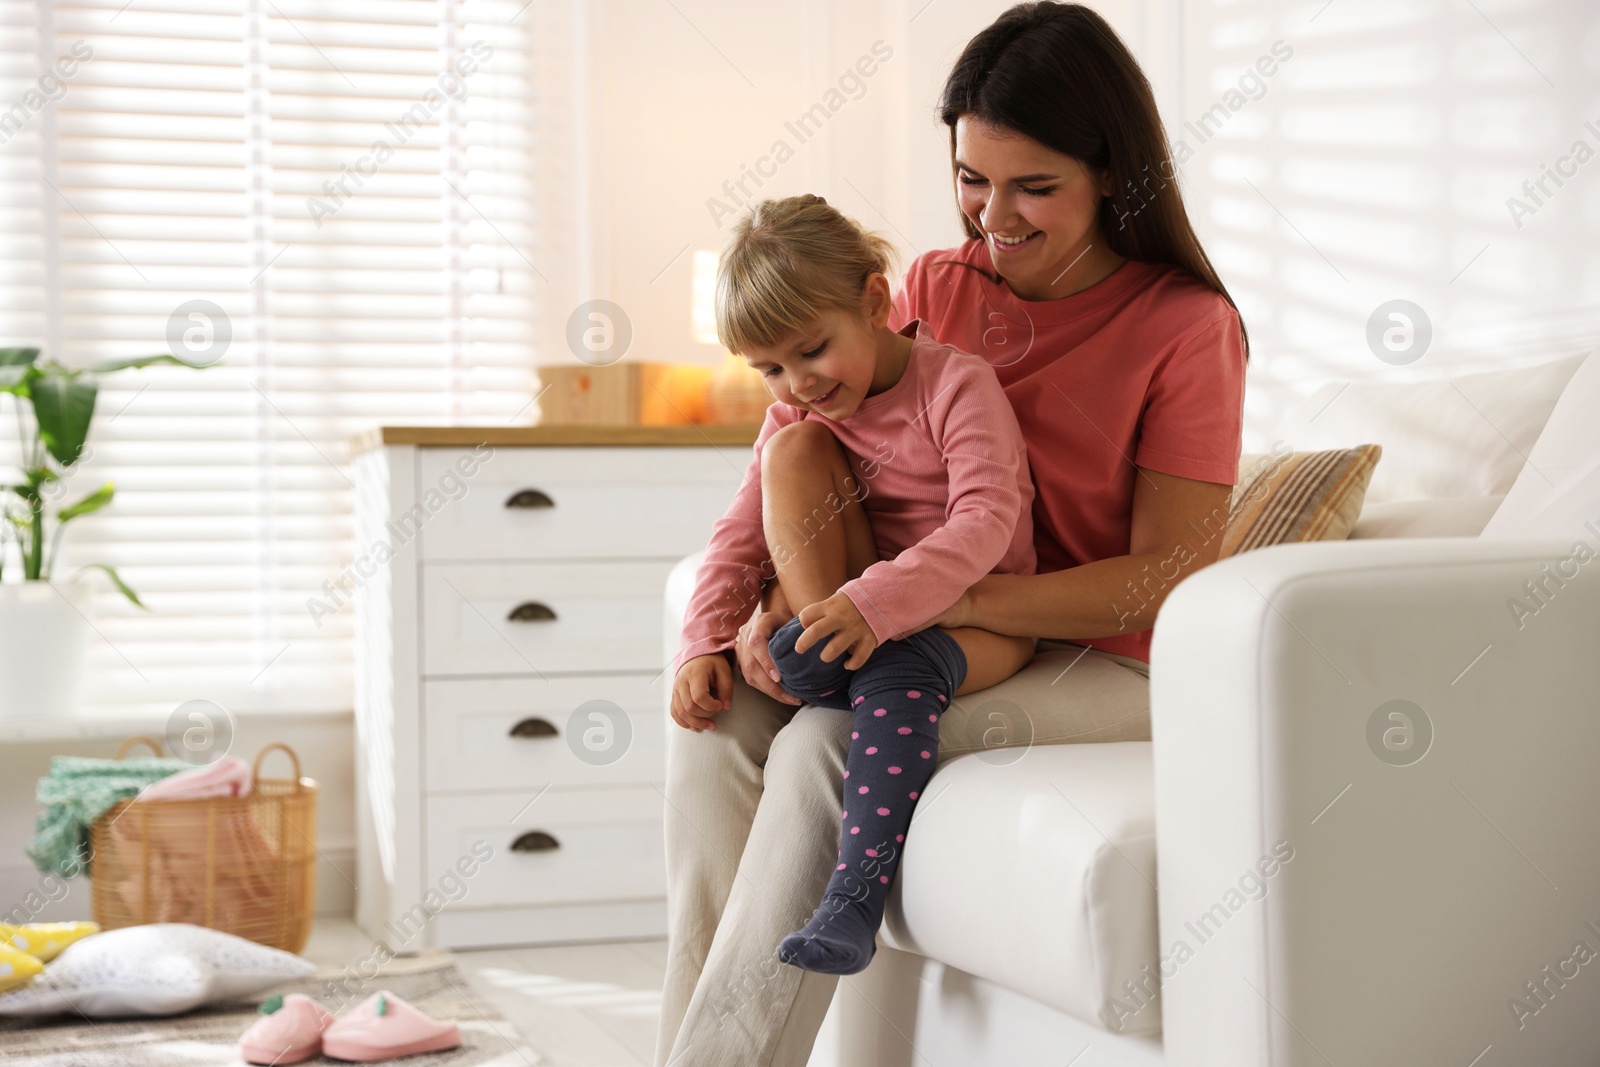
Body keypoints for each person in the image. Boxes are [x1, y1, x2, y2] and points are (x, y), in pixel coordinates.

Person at [656, 4, 1248, 1065]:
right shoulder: (930, 286)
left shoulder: (1183, 326)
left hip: (1084, 655)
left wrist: (949, 599)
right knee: (722, 723)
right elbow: (797, 454)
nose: (993, 218)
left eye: (1034, 187)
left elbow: (1166, 579)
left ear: (1113, 174)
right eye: (973, 178)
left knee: (824, 748)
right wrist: (770, 607)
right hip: (905, 613)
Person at [669, 193, 1039, 977]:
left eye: (811, 350)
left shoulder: (954, 386)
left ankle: (853, 899)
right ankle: (825, 653)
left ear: (875, 300)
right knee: (792, 454)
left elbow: (986, 523)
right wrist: (702, 641)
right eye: (770, 368)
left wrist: (874, 607)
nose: (797, 381)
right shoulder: (797, 417)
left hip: (977, 618)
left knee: (904, 666)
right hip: (855, 612)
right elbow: (736, 539)